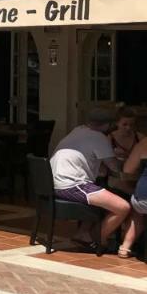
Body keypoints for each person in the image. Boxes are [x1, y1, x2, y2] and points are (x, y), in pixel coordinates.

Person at [50, 107, 132, 252]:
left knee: (102, 188)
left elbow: (92, 159)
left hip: (56, 182)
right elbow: (114, 168)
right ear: (107, 125)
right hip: (72, 185)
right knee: (122, 207)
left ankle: (82, 233)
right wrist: (127, 159)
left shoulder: (78, 130)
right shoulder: (99, 137)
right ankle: (97, 239)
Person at [120, 138, 147, 259]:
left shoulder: (144, 142)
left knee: (137, 213)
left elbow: (128, 169)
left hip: (142, 200)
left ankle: (125, 248)